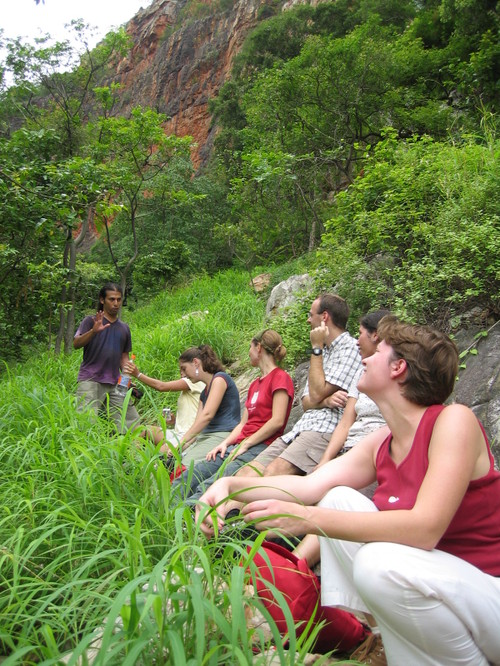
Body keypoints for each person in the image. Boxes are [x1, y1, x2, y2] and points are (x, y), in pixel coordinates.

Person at [197, 316, 500, 665]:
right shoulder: (381, 442)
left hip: (486, 595)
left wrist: (308, 519)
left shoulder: (453, 421)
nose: (365, 357)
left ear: (399, 367)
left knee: (377, 562)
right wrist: (229, 486)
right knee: (338, 498)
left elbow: (425, 528)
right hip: (438, 597)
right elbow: (309, 487)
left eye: (377, 351)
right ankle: (383, 642)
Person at [231, 293, 362, 478]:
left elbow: (314, 395)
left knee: (272, 474)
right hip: (301, 427)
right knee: (245, 474)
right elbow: (306, 402)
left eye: (311, 315)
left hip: (323, 430)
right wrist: (324, 401)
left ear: (324, 317)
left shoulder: (350, 348)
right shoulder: (323, 352)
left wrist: (316, 348)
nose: (309, 320)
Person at [177, 330, 294, 501]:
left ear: (258, 348)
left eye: (250, 347)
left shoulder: (280, 378)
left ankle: (190, 518)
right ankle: (163, 512)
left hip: (261, 445)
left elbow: (277, 421)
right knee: (193, 474)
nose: (248, 352)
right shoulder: (255, 384)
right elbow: (242, 424)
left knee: (211, 484)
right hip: (239, 444)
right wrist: (224, 444)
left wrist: (247, 443)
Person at [74, 283, 139, 433]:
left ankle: (125, 452)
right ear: (102, 300)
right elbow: (76, 343)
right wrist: (93, 331)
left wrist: (128, 380)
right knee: (86, 424)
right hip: (90, 380)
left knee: (128, 422)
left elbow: (124, 358)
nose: (116, 303)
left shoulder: (124, 328)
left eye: (118, 299)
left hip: (115, 382)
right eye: (111, 299)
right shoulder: (90, 321)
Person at [171, 345, 241, 466]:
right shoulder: (204, 393)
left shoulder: (220, 379)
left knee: (186, 466)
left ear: (195, 362)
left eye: (184, 368)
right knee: (174, 464)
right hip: (205, 436)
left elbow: (207, 415)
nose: (183, 374)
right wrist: (178, 449)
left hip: (223, 434)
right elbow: (198, 427)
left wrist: (181, 441)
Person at [121, 357, 205, 448]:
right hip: (177, 433)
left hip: (187, 436)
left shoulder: (194, 381)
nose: (181, 372)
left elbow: (161, 386)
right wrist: (175, 421)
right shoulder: (191, 385)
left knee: (162, 452)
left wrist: (138, 374)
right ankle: (132, 458)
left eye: (184, 369)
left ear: (195, 365)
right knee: (142, 430)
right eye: (180, 369)